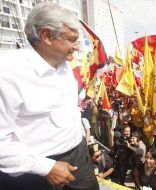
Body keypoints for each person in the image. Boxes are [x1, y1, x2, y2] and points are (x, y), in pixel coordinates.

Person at [0, 3, 99, 190]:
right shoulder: (6, 73)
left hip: (79, 157)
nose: (77, 47)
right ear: (46, 35)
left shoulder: (64, 66)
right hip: (35, 171)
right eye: (71, 40)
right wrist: (46, 168)